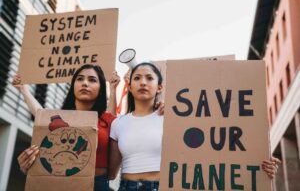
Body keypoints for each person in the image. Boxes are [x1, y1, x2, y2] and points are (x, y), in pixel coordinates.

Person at [108, 62, 281, 191]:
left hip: (164, 186)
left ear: (160, 87)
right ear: (129, 87)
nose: (143, 82)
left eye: (149, 78)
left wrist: (258, 163)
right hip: (126, 187)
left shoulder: (175, 118)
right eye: (137, 78)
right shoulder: (118, 124)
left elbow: (211, 147)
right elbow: (111, 173)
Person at [14, 64, 120, 191]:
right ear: (73, 85)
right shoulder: (59, 119)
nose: (85, 83)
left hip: (97, 185)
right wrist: (23, 89)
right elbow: (39, 113)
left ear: (101, 88)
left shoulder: (109, 120)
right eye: (80, 79)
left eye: (92, 80)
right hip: (60, 184)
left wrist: (113, 90)